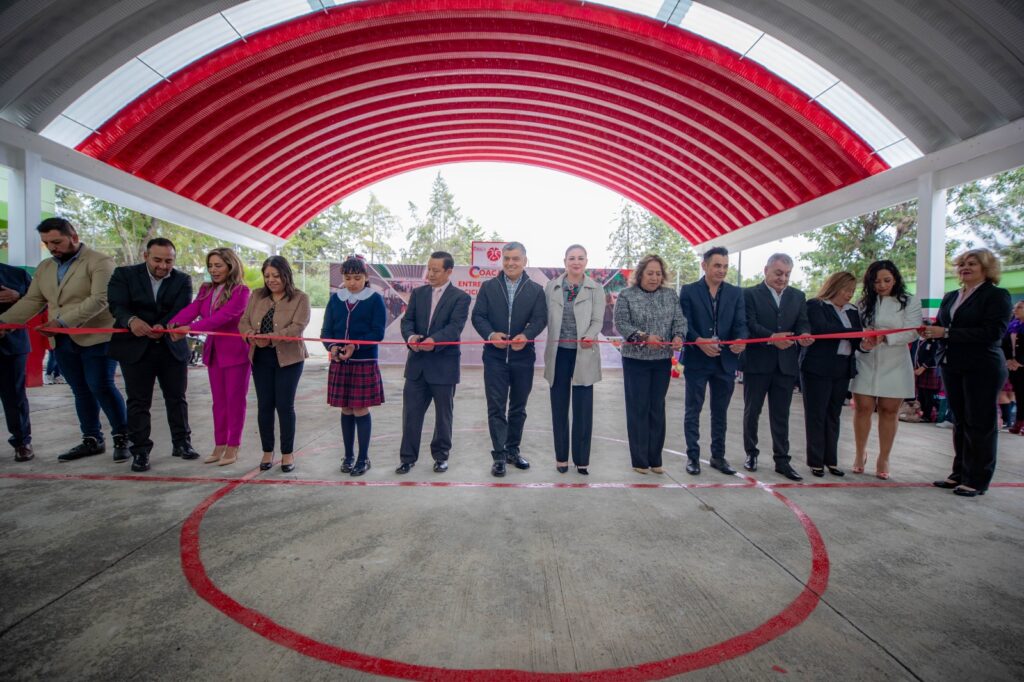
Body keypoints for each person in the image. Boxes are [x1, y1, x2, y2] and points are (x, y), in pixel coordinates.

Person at [0, 218, 128, 462]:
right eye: (47, 243)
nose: (52, 247)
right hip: (62, 341)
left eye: (57, 241)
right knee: (80, 390)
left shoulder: (99, 261)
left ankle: (123, 436)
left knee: (100, 385)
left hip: (96, 338)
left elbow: (100, 299)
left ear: (74, 237)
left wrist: (61, 322)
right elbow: (33, 301)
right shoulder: (46, 267)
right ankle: (92, 439)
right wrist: (5, 324)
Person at [926, 249, 1012, 497]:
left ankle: (977, 479)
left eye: (972, 264)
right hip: (952, 364)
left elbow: (993, 333)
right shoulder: (952, 296)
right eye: (962, 264)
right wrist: (933, 331)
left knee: (980, 423)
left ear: (986, 268)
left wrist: (947, 334)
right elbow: (944, 326)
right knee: (961, 420)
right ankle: (960, 473)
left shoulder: (996, 296)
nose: (965, 267)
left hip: (983, 366)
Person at [107, 238, 197, 472]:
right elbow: (117, 305)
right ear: (146, 256)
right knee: (138, 402)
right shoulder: (123, 275)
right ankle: (140, 451)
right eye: (157, 260)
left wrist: (163, 327)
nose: (163, 266)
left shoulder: (183, 280)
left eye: (169, 261)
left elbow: (182, 309)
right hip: (135, 348)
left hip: (170, 347)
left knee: (177, 398)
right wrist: (132, 321)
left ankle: (182, 443)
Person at [169, 248, 251, 467]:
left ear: (230, 266)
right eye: (211, 266)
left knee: (235, 402)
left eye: (219, 265)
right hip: (214, 354)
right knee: (218, 403)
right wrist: (172, 324)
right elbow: (193, 308)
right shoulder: (206, 289)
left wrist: (190, 328)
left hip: (236, 354)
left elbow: (223, 318)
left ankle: (233, 445)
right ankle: (219, 444)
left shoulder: (242, 292)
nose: (214, 270)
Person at [471, 241, 547, 477]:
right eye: (507, 259)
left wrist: (527, 335)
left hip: (523, 357)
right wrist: (492, 335)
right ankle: (499, 456)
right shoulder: (488, 287)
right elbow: (478, 317)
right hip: (494, 357)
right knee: (496, 407)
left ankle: (513, 450)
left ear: (525, 261)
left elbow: (540, 319)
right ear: (502, 261)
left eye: (516, 259)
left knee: (518, 407)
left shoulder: (535, 289)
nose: (511, 263)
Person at [396, 251, 471, 474]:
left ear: (449, 271)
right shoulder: (418, 294)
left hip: (443, 367)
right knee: (411, 414)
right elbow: (407, 321)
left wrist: (433, 341)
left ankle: (441, 456)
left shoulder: (460, 297)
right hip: (417, 366)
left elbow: (455, 327)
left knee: (443, 416)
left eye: (436, 270)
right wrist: (411, 338)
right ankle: (407, 458)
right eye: (429, 268)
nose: (430, 274)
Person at [741, 253, 812, 481]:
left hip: (786, 365)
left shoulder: (798, 296)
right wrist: (772, 337)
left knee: (781, 415)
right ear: (766, 271)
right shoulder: (749, 294)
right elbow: (749, 324)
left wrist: (805, 335)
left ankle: (782, 460)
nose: (783, 278)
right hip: (757, 363)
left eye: (787, 274)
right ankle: (751, 453)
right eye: (778, 273)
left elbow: (803, 323)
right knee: (753, 411)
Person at [613, 254, 686, 474]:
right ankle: (639, 460)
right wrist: (644, 337)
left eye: (658, 273)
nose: (654, 278)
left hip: (661, 360)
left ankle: (656, 459)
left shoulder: (670, 295)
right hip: (635, 361)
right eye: (650, 273)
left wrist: (678, 336)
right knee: (638, 408)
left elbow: (679, 320)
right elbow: (621, 324)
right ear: (640, 274)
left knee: (657, 408)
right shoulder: (627, 295)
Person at [850, 260, 922, 479]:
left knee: (889, 410)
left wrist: (886, 337)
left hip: (896, 362)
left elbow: (913, 331)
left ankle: (884, 457)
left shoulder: (909, 301)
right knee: (862, 407)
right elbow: (855, 329)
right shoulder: (862, 304)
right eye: (876, 281)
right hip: (867, 360)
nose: (881, 285)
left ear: (896, 279)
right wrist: (866, 339)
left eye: (886, 280)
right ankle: (860, 452)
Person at [679, 246, 747, 476]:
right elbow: (683, 323)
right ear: (704, 266)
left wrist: (741, 340)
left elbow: (741, 323)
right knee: (693, 410)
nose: (722, 270)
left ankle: (718, 456)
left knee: (720, 412)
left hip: (725, 362)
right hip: (698, 360)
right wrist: (698, 340)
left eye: (726, 266)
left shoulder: (736, 293)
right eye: (717, 265)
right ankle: (693, 457)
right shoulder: (689, 291)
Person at [800, 272, 876, 477]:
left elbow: (855, 339)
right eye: (846, 290)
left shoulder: (852, 311)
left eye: (852, 291)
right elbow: (823, 329)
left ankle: (831, 460)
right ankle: (815, 461)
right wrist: (854, 333)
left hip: (842, 369)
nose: (849, 294)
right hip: (818, 369)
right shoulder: (816, 305)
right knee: (816, 415)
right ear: (835, 286)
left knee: (833, 415)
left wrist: (864, 343)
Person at [239, 256, 310, 473]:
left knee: (284, 406)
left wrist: (271, 337)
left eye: (276, 275)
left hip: (289, 359)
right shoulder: (257, 296)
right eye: (267, 276)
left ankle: (287, 453)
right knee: (265, 405)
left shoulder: (300, 298)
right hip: (260, 358)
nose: (271, 280)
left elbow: (298, 326)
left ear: (286, 275)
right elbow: (243, 321)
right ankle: (267, 451)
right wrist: (250, 335)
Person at [544, 244, 606, 474]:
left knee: (583, 409)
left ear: (586, 262)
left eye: (580, 258)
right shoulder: (552, 286)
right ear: (565, 261)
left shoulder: (595, 289)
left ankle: (582, 460)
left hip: (584, 353)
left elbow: (598, 320)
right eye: (572, 258)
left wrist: (589, 335)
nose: (576, 262)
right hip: (559, 353)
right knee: (559, 407)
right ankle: (561, 458)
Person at [322, 256, 386, 477]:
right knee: (346, 409)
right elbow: (326, 332)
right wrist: (332, 348)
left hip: (363, 362)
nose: (352, 282)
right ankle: (348, 456)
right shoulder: (336, 299)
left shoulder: (375, 299)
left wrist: (354, 345)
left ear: (366, 277)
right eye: (348, 278)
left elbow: (377, 333)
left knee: (360, 409)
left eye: (357, 278)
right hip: (340, 363)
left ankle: (363, 457)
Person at [0, 263, 33, 461]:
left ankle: (22, 441)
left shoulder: (17, 274)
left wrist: (17, 296)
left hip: (11, 345)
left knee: (14, 395)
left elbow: (40, 302)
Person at [1003, 301, 1024, 434]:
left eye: (1020, 307)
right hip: (1014, 366)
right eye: (1014, 307)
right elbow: (1004, 344)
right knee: (1020, 395)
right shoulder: (1012, 325)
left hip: (1021, 364)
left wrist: (1020, 362)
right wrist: (1009, 360)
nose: (1015, 310)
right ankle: (1019, 422)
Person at [913, 334, 942, 423]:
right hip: (919, 369)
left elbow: (934, 357)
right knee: (921, 393)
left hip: (929, 370)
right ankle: (922, 414)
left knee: (928, 395)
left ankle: (927, 416)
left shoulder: (934, 341)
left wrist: (923, 367)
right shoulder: (918, 341)